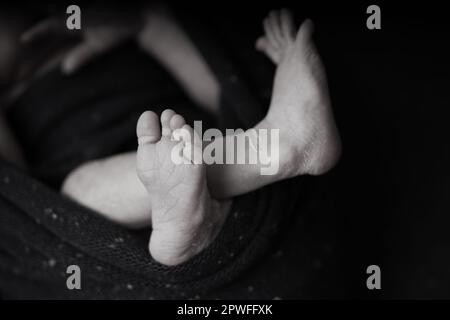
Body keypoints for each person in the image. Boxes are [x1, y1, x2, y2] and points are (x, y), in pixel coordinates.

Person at [0, 5, 341, 266]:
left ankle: (260, 151)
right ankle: (273, 148)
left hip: (198, 139)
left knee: (227, 98)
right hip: (117, 187)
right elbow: (19, 195)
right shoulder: (13, 107)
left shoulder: (117, 28)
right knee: (80, 191)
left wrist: (142, 24)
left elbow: (211, 79)